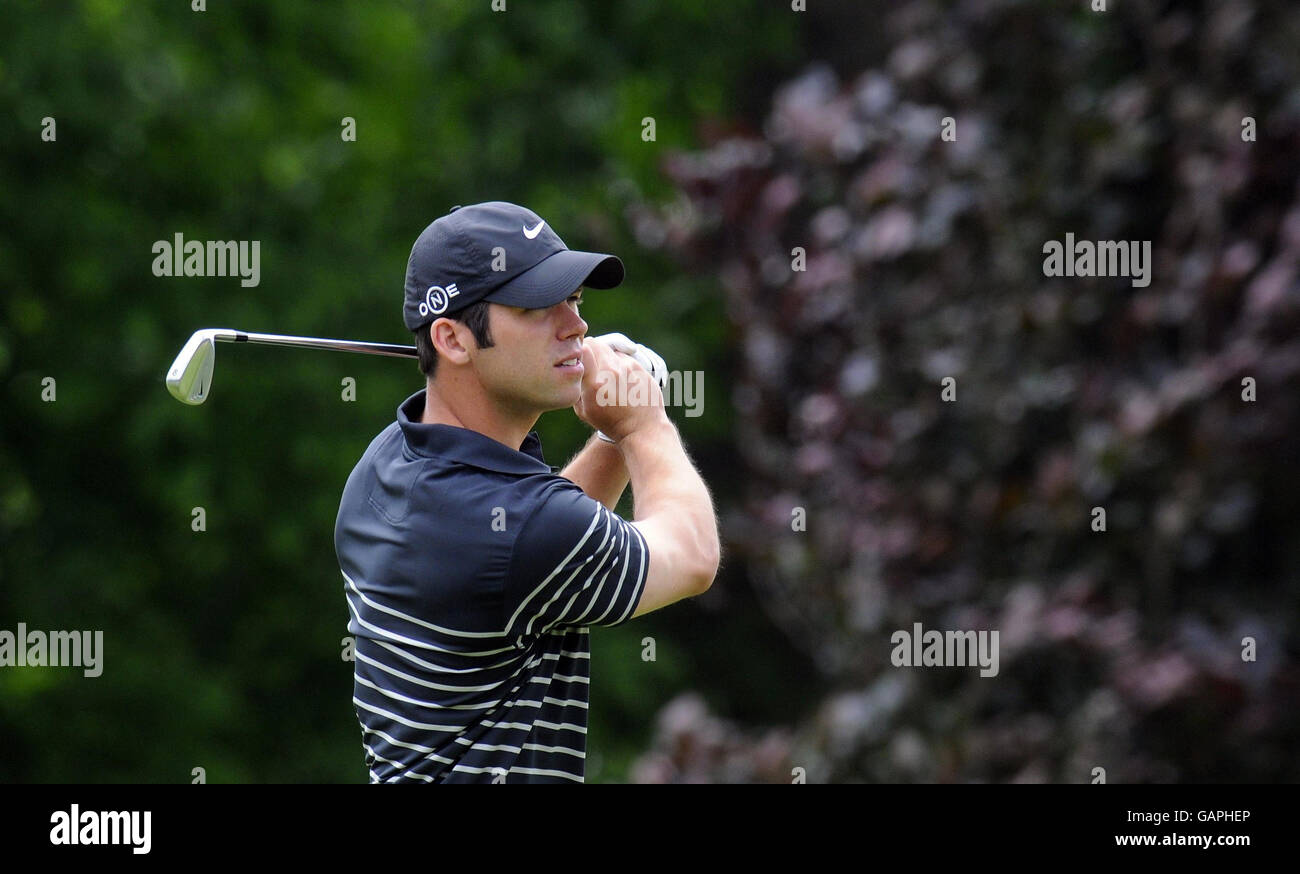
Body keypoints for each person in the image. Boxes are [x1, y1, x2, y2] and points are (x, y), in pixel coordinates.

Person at [334, 201, 720, 783]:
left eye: (575, 300)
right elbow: (691, 557)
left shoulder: (387, 462)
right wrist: (643, 425)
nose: (576, 326)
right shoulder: (522, 530)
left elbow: (540, 553)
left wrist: (613, 437)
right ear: (452, 339)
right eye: (538, 306)